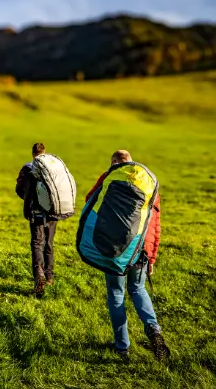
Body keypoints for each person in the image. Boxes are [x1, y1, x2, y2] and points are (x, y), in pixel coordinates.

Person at [86, 150, 170, 360]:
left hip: (116, 249)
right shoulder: (149, 183)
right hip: (141, 249)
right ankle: (154, 329)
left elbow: (90, 200)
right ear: (132, 162)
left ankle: (122, 346)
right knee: (138, 288)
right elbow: (156, 223)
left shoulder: (109, 178)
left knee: (116, 294)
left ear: (114, 163)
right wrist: (152, 256)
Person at [16, 143, 58, 297]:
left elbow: (19, 189)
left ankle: (38, 275)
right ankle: (49, 276)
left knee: (37, 243)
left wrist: (30, 202)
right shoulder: (53, 166)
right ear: (44, 152)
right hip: (53, 212)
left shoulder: (28, 168)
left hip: (36, 212)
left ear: (33, 153)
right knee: (48, 243)